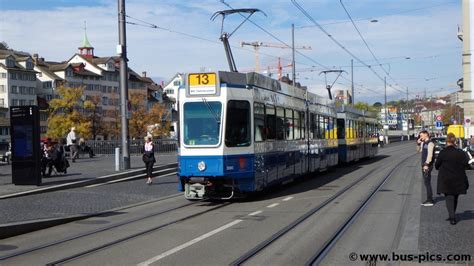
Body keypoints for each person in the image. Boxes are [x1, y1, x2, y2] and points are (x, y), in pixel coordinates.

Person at [435, 133, 470, 225]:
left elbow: (436, 165)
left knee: (449, 198)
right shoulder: (460, 152)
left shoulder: (443, 153)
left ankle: (452, 217)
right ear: (455, 142)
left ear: (446, 142)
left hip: (446, 179)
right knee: (455, 197)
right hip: (458, 179)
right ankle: (452, 214)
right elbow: (466, 164)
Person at [416, 130, 435, 206]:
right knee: (426, 182)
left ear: (426, 135)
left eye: (421, 135)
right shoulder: (423, 143)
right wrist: (418, 143)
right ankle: (429, 199)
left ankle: (430, 200)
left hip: (427, 166)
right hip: (424, 165)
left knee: (427, 182)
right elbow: (418, 151)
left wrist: (426, 164)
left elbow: (430, 155)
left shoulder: (430, 143)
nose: (420, 137)